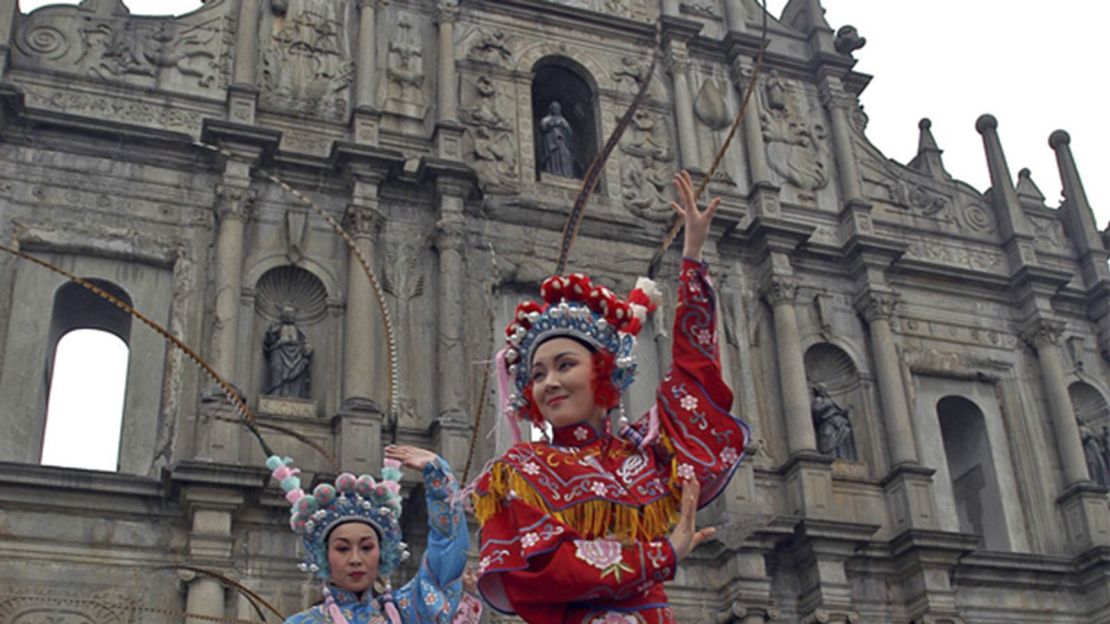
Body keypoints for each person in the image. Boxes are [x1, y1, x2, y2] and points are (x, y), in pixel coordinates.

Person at [471, 170, 750, 623]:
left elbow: (696, 384)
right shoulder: (521, 472)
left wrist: (693, 261)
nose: (549, 383)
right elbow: (546, 572)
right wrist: (662, 555)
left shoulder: (645, 455)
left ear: (603, 373)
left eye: (565, 365)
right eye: (538, 374)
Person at [269, 444, 481, 623]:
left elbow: (447, 552)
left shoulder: (406, 610)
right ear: (325, 556)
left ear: (383, 553)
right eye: (342, 548)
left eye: (366, 547)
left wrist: (438, 477)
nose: (355, 559)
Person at [539, 101, 578, 178]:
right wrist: (554, 124)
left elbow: (570, 132)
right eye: (554, 108)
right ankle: (553, 173)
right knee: (554, 157)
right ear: (551, 109)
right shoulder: (546, 119)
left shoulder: (564, 121)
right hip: (551, 143)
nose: (556, 109)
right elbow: (543, 127)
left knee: (566, 155)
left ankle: (567, 175)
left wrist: (563, 126)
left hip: (563, 143)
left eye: (557, 108)